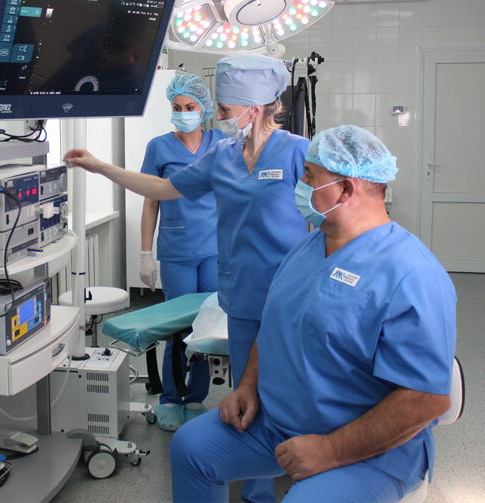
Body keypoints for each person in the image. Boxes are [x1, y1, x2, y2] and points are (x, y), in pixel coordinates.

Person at [65, 55, 309, 503]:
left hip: (290, 297)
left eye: (224, 109)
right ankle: (255, 491)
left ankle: (301, 466)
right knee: (248, 395)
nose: (219, 117)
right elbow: (161, 189)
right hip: (242, 297)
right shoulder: (223, 156)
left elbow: (329, 215)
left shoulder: (298, 152)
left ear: (254, 108)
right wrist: (100, 167)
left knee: (289, 392)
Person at [169, 125, 457, 503]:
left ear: (345, 189)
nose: (299, 185)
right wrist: (248, 386)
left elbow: (427, 399)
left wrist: (330, 450)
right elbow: (273, 326)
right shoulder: (306, 248)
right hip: (276, 423)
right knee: (190, 449)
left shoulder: (412, 274)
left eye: (309, 176)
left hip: (368, 453)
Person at [139, 73, 225, 431]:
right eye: (177, 107)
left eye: (190, 106)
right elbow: (151, 202)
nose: (184, 113)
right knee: (177, 328)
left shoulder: (221, 142)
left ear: (204, 109)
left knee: (206, 326)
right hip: (177, 250)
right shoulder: (159, 147)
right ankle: (171, 397)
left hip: (215, 250)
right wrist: (145, 252)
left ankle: (196, 397)